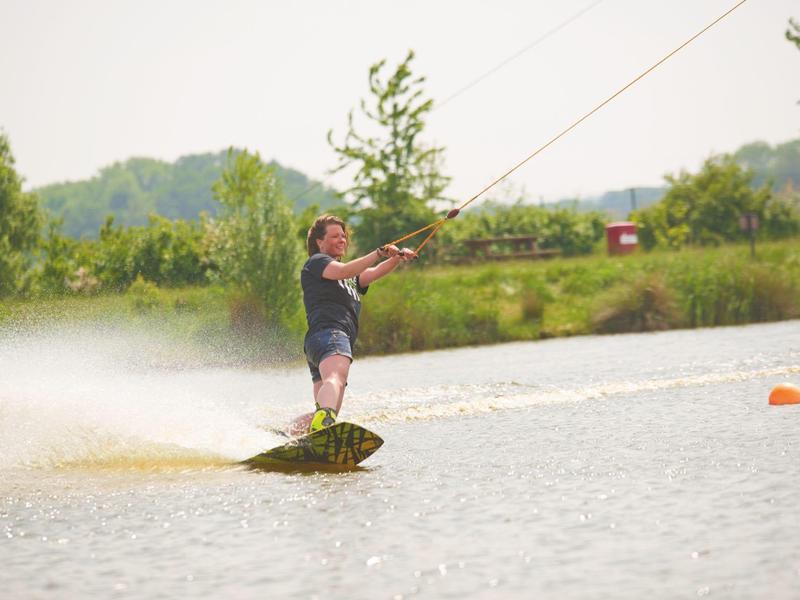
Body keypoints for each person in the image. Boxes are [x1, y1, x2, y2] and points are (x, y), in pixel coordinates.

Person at [289, 214, 417, 436]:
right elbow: (344, 270)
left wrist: (396, 258)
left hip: (318, 343)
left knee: (326, 409)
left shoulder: (350, 278)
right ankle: (322, 424)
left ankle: (288, 433)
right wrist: (378, 253)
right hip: (331, 335)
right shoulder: (317, 262)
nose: (342, 240)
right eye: (335, 236)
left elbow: (372, 273)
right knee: (335, 382)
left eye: (343, 236)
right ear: (319, 242)